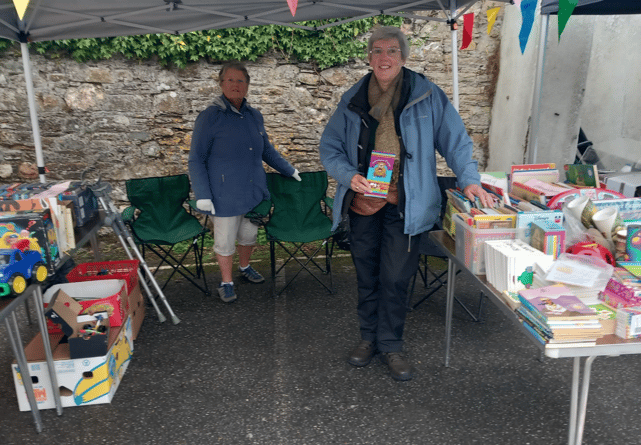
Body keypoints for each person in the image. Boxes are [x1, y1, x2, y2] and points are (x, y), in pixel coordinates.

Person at [319, 27, 493, 381]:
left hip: (407, 203)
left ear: (403, 57)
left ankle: (391, 343)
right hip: (364, 202)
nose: (385, 57)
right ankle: (368, 338)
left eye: (393, 51)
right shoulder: (352, 99)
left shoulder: (428, 95)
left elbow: (456, 141)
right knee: (368, 275)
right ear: (369, 57)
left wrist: (470, 179)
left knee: (396, 277)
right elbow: (330, 147)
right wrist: (348, 174)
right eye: (378, 50)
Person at [189, 61, 301, 303]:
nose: (235, 85)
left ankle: (244, 267)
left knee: (249, 236)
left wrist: (289, 169)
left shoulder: (254, 116)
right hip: (224, 194)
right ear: (221, 84)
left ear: (248, 85)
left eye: (241, 80)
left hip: (254, 191)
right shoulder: (209, 117)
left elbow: (267, 150)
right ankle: (226, 281)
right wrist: (202, 194)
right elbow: (196, 159)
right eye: (230, 80)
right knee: (225, 241)